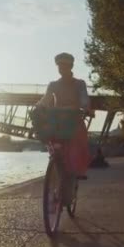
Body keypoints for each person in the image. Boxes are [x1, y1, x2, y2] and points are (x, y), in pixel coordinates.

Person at [36, 52, 92, 180]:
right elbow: (46, 99)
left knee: (77, 142)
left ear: (71, 66)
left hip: (70, 119)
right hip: (60, 119)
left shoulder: (79, 84)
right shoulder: (53, 85)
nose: (62, 68)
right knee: (53, 140)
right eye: (60, 66)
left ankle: (74, 172)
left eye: (65, 66)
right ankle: (58, 168)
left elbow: (84, 98)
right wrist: (38, 107)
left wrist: (86, 107)